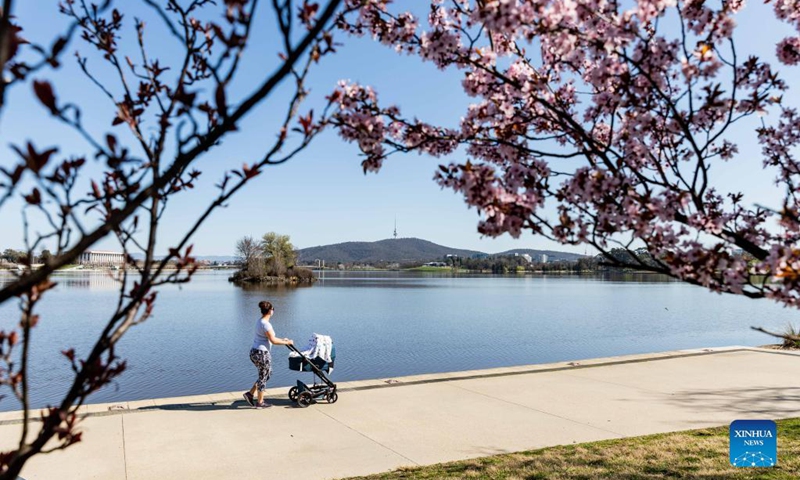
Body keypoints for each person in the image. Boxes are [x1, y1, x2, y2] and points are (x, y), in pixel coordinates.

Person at [243, 301, 293, 408]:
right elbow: (273, 341)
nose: (273, 311)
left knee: (267, 374)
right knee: (263, 377)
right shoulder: (266, 324)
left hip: (255, 352)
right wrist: (287, 343)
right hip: (262, 354)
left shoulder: (260, 321)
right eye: (273, 309)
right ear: (270, 311)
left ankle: (250, 394)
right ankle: (260, 402)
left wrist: (283, 340)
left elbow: (271, 338)